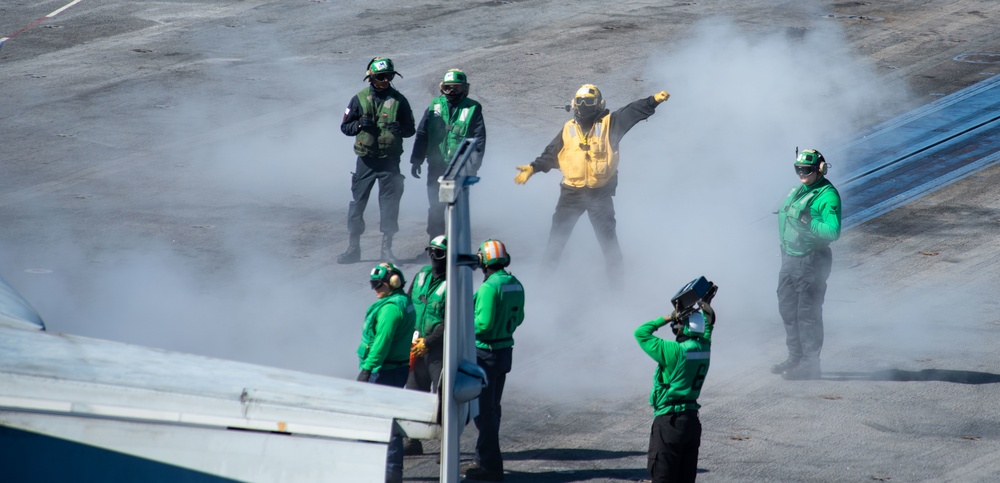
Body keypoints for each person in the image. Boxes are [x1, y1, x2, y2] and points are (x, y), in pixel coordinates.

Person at [514, 85, 670, 286]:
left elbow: (631, 112)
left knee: (609, 245)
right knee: (556, 242)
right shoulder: (568, 129)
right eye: (580, 102)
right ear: (574, 105)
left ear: (599, 105)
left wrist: (652, 101)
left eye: (588, 103)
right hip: (571, 195)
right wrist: (533, 168)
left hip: (599, 195)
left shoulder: (610, 124)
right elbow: (551, 154)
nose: (584, 107)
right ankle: (542, 285)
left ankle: (617, 290)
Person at [338, 57, 416, 265]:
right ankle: (353, 248)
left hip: (390, 162)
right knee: (358, 205)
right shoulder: (358, 99)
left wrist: (401, 130)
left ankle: (386, 250)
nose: (385, 81)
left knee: (390, 205)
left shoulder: (400, 101)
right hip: (366, 162)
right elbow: (345, 127)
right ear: (371, 78)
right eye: (381, 77)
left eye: (389, 76)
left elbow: (411, 129)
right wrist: (359, 126)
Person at [634, 286, 716, 483]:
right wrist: (706, 308)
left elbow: (641, 333)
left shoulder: (674, 351)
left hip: (669, 422)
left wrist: (669, 316)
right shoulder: (704, 346)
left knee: (663, 476)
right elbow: (708, 327)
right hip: (691, 423)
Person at [772, 149, 842, 381]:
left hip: (811, 260)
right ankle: (796, 357)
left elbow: (832, 231)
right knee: (788, 309)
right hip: (790, 258)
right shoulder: (800, 189)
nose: (802, 173)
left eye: (808, 170)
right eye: (799, 169)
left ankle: (811, 365)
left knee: (807, 313)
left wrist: (810, 223)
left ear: (820, 169)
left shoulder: (827, 196)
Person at [466, 239, 525, 482]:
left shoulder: (490, 287)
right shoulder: (515, 283)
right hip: (504, 352)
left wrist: (460, 325)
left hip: (485, 354)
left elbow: (483, 323)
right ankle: (483, 458)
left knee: (483, 413)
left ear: (483, 260)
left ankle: (491, 465)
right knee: (493, 409)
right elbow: (519, 317)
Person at [356, 262, 416, 483]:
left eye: (379, 284)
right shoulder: (402, 301)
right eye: (373, 284)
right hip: (395, 369)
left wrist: (366, 370)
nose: (375, 289)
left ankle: (380, 472)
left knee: (377, 423)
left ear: (393, 282)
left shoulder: (391, 309)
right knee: (389, 422)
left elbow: (381, 344)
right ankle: (388, 472)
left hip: (383, 372)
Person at [410, 69, 487, 239]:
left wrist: (473, 167)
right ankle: (435, 243)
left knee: (455, 206)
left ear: (464, 89)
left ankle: (453, 245)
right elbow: (422, 133)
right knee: (436, 206)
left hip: (459, 167)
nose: (451, 92)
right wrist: (416, 160)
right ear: (442, 88)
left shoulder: (473, 108)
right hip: (436, 166)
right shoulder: (434, 106)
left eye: (456, 88)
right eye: (448, 88)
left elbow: (479, 141)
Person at [401, 235, 448, 456]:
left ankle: (445, 446)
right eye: (430, 251)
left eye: (438, 253)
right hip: (415, 345)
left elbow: (451, 321)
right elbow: (408, 304)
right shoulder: (421, 276)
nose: (432, 257)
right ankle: (413, 440)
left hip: (439, 350)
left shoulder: (454, 283)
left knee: (442, 398)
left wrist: (429, 342)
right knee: (414, 393)